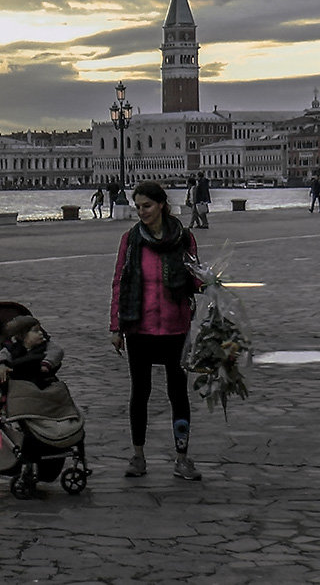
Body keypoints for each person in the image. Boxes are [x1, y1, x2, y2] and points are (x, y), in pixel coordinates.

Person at [109, 181, 202, 481]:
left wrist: (209, 281)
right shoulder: (130, 239)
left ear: (161, 204)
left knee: (178, 394)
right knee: (141, 393)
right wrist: (116, 326)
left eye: (146, 206)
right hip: (140, 327)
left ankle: (182, 457)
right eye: (137, 207)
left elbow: (194, 276)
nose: (141, 212)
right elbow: (119, 283)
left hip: (176, 327)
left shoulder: (184, 238)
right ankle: (138, 456)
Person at [0, 315, 62, 387]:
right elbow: (1, 356)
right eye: (36, 331)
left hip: (44, 380)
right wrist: (1, 365)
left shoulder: (46, 345)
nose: (40, 333)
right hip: (19, 383)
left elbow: (56, 352)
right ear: (22, 335)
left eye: (40, 330)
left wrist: (47, 363)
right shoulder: (12, 348)